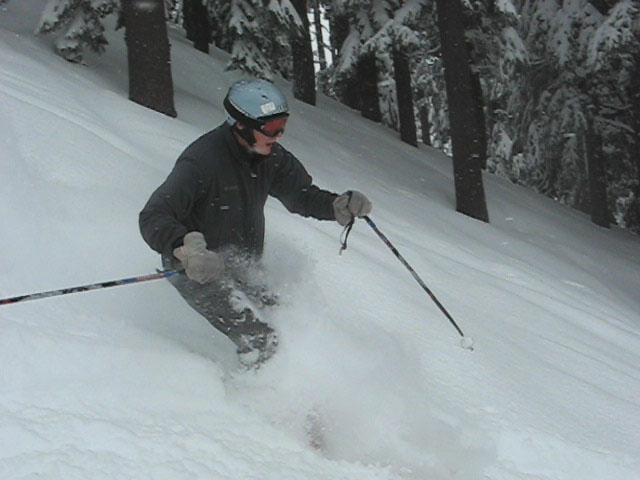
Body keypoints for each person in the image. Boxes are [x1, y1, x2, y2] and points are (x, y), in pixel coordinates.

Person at [139, 79, 372, 367]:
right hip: (197, 269)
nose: (279, 135)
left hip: (241, 265)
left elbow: (301, 195)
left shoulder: (270, 157)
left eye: (282, 125)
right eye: (271, 128)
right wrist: (184, 249)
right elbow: (153, 215)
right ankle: (255, 393)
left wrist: (336, 206)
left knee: (288, 321)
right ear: (240, 124)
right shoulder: (201, 162)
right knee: (261, 339)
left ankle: (305, 385)